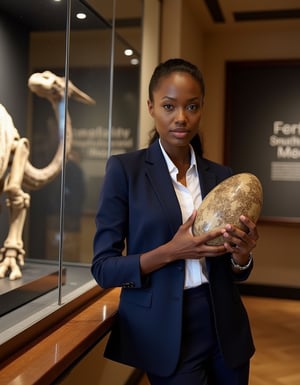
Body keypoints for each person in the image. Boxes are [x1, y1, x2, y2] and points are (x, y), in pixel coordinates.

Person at [92, 58, 259, 385]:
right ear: (152, 107)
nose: (181, 117)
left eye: (192, 106)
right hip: (164, 331)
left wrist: (242, 255)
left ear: (201, 108)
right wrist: (171, 251)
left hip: (225, 326)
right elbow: (103, 268)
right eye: (169, 106)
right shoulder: (125, 171)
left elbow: (235, 270)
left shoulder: (221, 176)